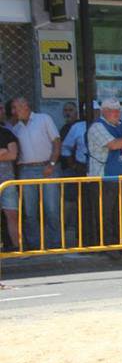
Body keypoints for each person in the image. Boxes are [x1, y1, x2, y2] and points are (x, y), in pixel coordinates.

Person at [86, 98, 122, 252]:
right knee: (105, 213)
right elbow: (113, 144)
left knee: (121, 211)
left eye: (118, 110)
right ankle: (107, 245)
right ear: (103, 112)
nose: (116, 113)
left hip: (120, 176)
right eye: (112, 110)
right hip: (102, 176)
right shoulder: (97, 127)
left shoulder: (121, 124)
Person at [11, 97, 62, 249]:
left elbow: (57, 142)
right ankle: (34, 245)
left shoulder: (43, 119)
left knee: (51, 209)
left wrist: (52, 164)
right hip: (26, 170)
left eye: (15, 107)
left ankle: (55, 244)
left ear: (25, 106)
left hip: (47, 167)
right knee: (30, 211)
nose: (13, 111)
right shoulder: (16, 128)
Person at [0, 108, 19, 251]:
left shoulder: (7, 133)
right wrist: (2, 152)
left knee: (12, 214)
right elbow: (7, 152)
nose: (2, 111)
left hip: (7, 182)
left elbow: (12, 155)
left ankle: (17, 248)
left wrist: (6, 152)